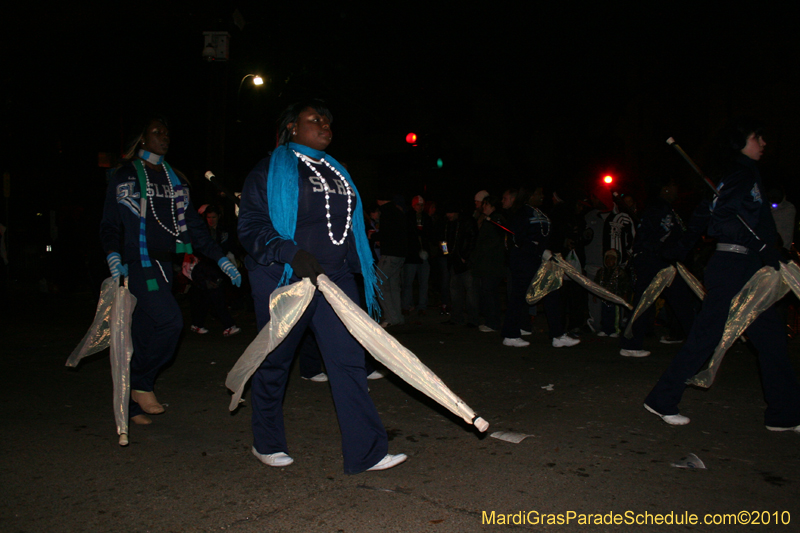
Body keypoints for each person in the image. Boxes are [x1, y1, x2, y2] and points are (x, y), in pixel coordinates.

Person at [238, 99, 406, 472]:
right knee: (275, 361)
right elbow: (250, 226)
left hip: (334, 279)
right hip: (285, 277)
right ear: (292, 128)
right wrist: (289, 252)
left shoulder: (336, 171)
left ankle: (367, 452)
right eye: (315, 119)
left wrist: (357, 269)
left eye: (328, 120)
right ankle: (266, 442)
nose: (325, 125)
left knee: (349, 361)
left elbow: (346, 227)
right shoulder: (269, 170)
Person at [644, 118, 800, 431]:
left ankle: (784, 414)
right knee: (707, 336)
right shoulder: (741, 174)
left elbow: (706, 211)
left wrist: (682, 246)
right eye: (757, 137)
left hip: (746, 268)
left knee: (771, 339)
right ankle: (662, 398)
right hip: (734, 268)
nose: (763, 143)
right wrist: (763, 247)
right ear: (740, 142)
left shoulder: (733, 176)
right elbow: (720, 219)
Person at [100, 115, 242, 426]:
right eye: (157, 132)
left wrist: (221, 259)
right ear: (142, 138)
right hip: (139, 263)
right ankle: (141, 383)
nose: (164, 136)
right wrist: (112, 253)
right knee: (171, 322)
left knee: (144, 333)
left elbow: (195, 227)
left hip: (166, 264)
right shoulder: (125, 175)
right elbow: (110, 223)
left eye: (166, 132)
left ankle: (132, 404)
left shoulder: (175, 179)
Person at [501, 186, 579, 348]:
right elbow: (518, 239)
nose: (542, 196)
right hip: (523, 261)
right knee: (518, 296)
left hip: (540, 261)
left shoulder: (540, 212)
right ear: (529, 195)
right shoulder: (521, 212)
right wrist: (540, 251)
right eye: (539, 193)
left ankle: (557, 334)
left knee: (551, 291)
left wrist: (553, 251)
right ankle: (510, 334)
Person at [189, 205, 241, 337]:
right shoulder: (202, 231)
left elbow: (231, 245)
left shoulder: (224, 231)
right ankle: (228, 325)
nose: (211, 220)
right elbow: (197, 247)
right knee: (214, 295)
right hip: (205, 268)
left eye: (213, 217)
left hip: (220, 267)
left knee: (208, 296)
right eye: (208, 217)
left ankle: (197, 324)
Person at [373, 190, 408, 328]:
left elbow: (386, 233)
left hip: (390, 253)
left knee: (379, 282)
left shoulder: (386, 213)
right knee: (393, 285)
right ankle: (397, 317)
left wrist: (374, 237)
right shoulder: (398, 212)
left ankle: (391, 317)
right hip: (400, 254)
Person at [402, 195, 434, 316]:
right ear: (413, 205)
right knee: (408, 282)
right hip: (411, 255)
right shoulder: (407, 217)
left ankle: (422, 306)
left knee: (423, 282)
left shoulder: (426, 218)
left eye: (421, 205)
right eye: (417, 205)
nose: (420, 207)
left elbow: (431, 235)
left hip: (424, 255)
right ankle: (407, 305)